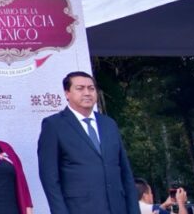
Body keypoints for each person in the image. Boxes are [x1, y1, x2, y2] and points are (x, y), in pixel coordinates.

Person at [37, 71, 138, 214]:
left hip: (117, 208)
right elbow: (49, 178)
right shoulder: (54, 125)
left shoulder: (109, 124)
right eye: (80, 88)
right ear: (67, 93)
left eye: (91, 88)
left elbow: (125, 171)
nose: (87, 93)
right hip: (79, 209)